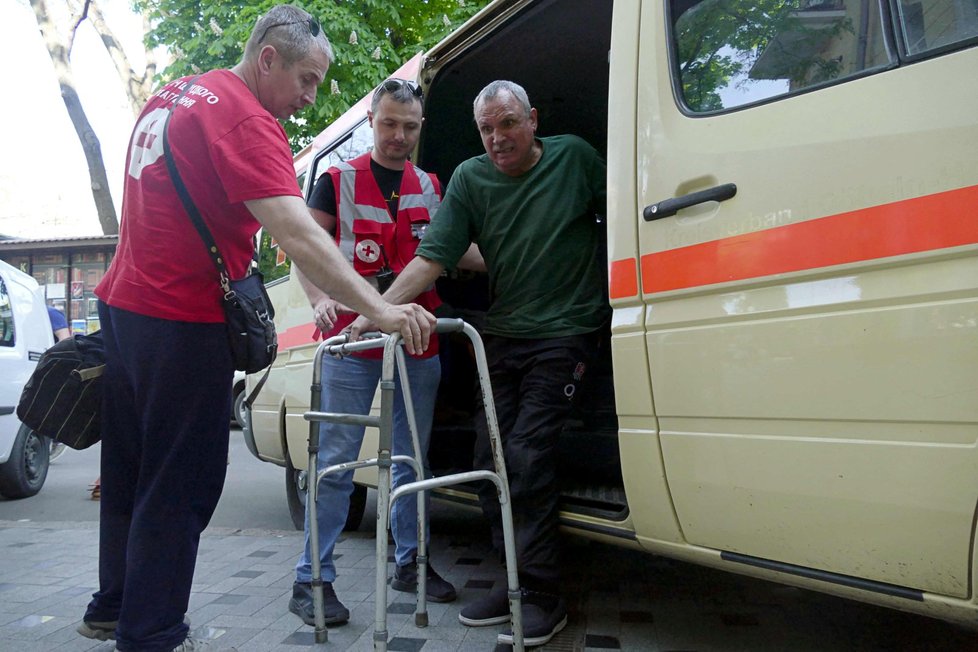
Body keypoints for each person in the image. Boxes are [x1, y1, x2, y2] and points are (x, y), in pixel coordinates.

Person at [77, 6, 435, 652]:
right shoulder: (244, 119)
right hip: (180, 320)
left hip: (124, 307)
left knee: (130, 472)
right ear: (267, 58)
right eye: (306, 78)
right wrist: (379, 310)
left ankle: (114, 605)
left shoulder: (178, 92)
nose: (310, 96)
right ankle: (152, 633)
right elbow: (298, 233)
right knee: (179, 483)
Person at [349, 79, 609, 647]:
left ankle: (542, 594)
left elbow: (621, 222)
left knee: (524, 453)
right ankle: (512, 577)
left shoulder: (576, 159)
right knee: (487, 458)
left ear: (533, 119)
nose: (497, 138)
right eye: (487, 129)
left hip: (568, 331)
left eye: (508, 123)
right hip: (507, 334)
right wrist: (371, 312)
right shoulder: (470, 178)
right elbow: (430, 260)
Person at [287, 78, 457, 627]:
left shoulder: (432, 185)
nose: (398, 136)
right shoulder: (335, 181)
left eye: (409, 127)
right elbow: (302, 252)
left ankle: (412, 561)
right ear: (370, 118)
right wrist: (318, 302)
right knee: (336, 464)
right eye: (388, 124)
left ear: (420, 127)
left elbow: (455, 250)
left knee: (412, 458)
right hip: (349, 346)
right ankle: (312, 578)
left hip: (416, 342)